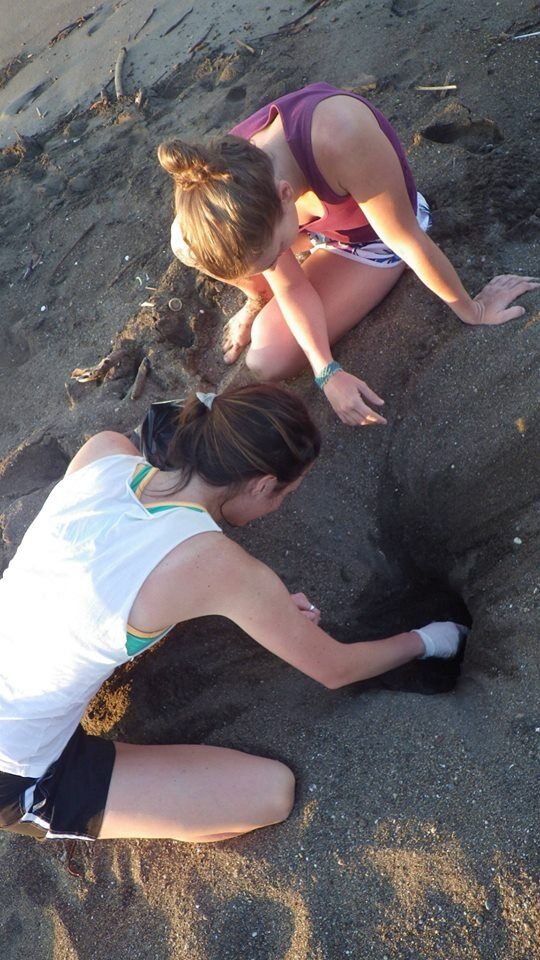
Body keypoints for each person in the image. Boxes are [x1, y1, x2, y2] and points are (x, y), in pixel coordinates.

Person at [0, 384, 465, 844]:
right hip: (15, 769)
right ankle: (49, 808)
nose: (277, 506)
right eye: (282, 495)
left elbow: (124, 572)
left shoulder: (105, 451)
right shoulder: (217, 565)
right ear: (263, 484)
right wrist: (430, 640)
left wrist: (263, 608)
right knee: (269, 794)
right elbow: (336, 668)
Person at [157, 82, 539, 427]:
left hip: (372, 238)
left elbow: (409, 241)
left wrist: (475, 309)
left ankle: (277, 266)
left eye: (273, 258)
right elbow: (288, 283)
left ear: (285, 194)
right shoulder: (227, 176)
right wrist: (327, 371)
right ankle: (256, 294)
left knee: (267, 358)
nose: (276, 265)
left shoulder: (341, 136)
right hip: (307, 229)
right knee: (185, 239)